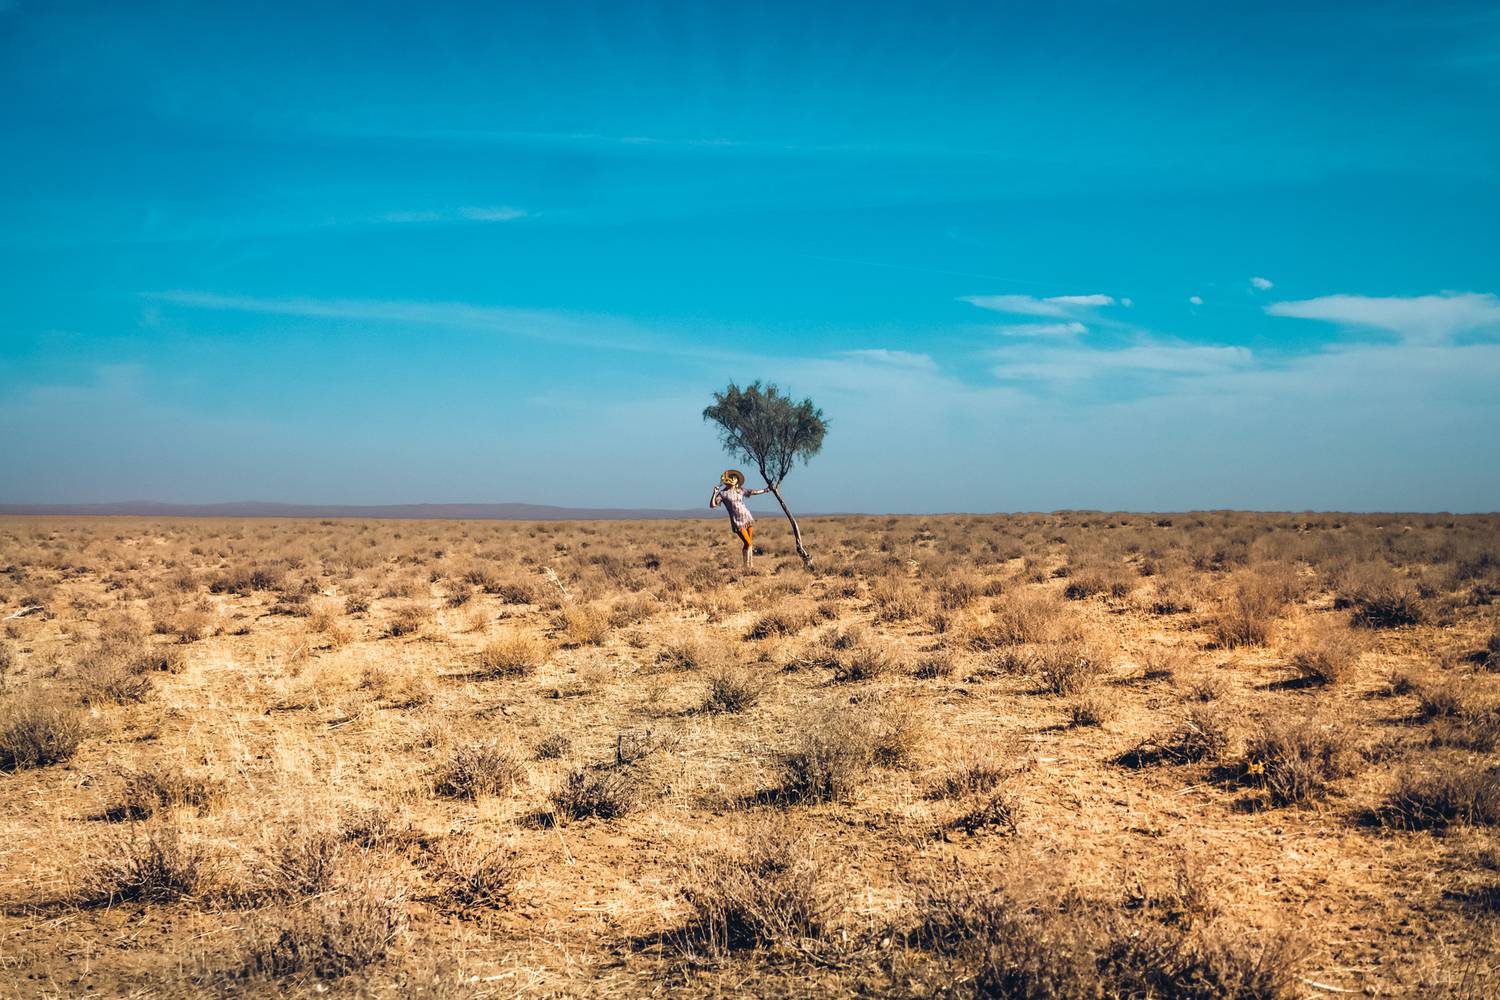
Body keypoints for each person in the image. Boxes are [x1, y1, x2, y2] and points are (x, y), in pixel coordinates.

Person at [710, 469, 769, 569]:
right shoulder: (722, 494)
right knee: (748, 542)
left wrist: (765, 490)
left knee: (749, 542)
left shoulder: (740, 490)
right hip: (737, 521)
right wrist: (714, 493)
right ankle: (746, 565)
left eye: (735, 478)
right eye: (731, 478)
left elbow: (752, 492)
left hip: (746, 517)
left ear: (737, 481)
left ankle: (750, 565)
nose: (733, 479)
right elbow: (712, 505)